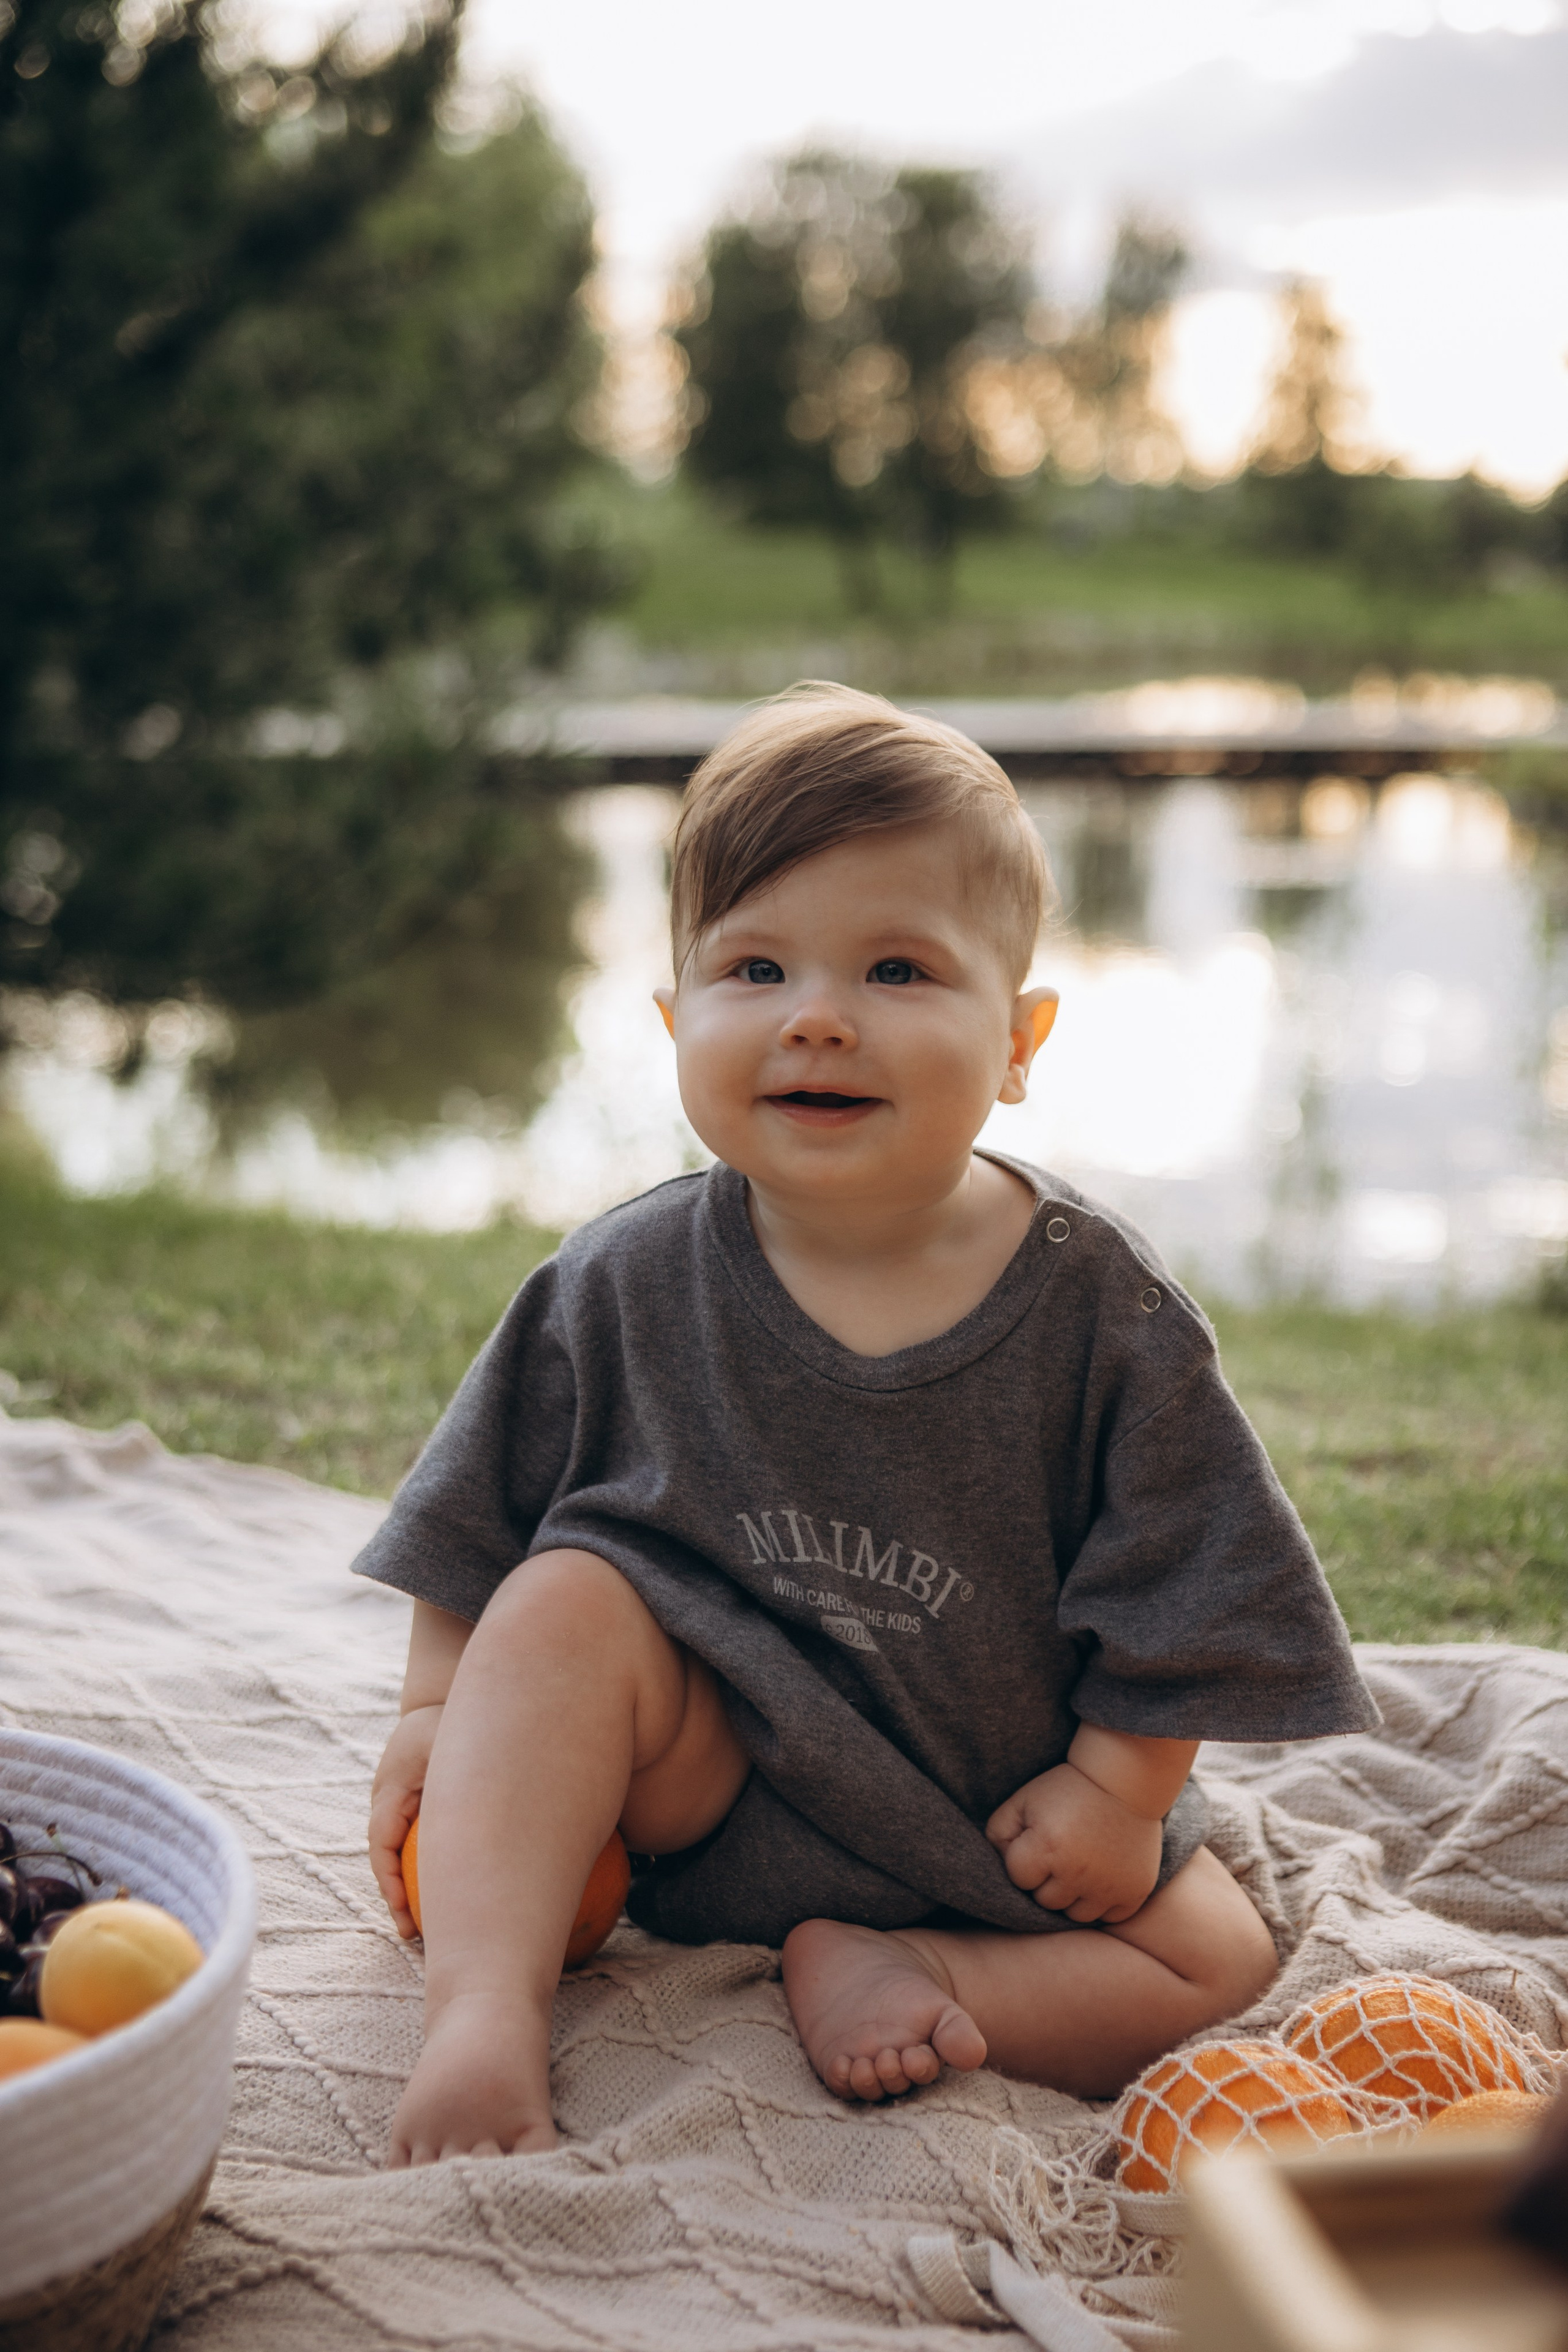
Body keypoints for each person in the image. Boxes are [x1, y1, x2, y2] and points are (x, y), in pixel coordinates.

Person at [357, 684, 1378, 2167]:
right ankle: (481, 2015)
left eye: (896, 969)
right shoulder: (619, 1281)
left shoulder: (1098, 1311)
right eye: (754, 968)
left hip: (995, 1817)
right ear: (675, 1020)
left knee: (1216, 1963)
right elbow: (473, 1529)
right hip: (698, 1787)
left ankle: (910, 1967)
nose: (816, 1017)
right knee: (565, 1598)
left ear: (1016, 1039)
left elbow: (1189, 1580)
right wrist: (432, 1718)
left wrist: (1115, 1792)